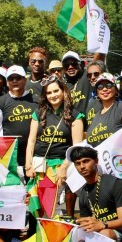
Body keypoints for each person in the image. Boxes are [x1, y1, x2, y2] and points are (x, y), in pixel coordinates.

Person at [24, 75, 84, 217]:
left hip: (59, 168)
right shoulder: (38, 113)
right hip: (38, 167)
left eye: (56, 91)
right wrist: (28, 166)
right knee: (35, 208)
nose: (53, 95)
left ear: (64, 91)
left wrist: (64, 168)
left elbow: (76, 146)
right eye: (49, 93)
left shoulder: (75, 115)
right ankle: (38, 235)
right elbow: (31, 140)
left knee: (49, 209)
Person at [0, 65, 39, 180]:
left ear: (25, 80)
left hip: (34, 154)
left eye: (18, 78)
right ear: (7, 82)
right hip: (11, 157)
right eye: (11, 78)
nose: (15, 81)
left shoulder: (37, 100)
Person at [85, 73, 122, 147]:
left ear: (116, 90)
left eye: (109, 85)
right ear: (97, 92)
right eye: (100, 87)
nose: (104, 89)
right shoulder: (95, 117)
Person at [62, 51, 95, 116]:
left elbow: (97, 62)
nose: (70, 67)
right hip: (72, 123)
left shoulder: (87, 76)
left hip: (88, 123)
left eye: (73, 63)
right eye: (66, 65)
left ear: (79, 64)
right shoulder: (62, 85)